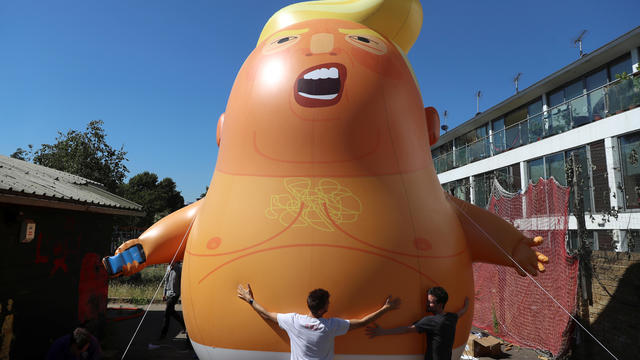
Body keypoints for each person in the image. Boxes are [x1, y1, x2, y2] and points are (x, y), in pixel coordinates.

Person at [237, 284, 400, 360]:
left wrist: (250, 300)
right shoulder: (330, 327)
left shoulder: (293, 321)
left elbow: (266, 314)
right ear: (323, 309)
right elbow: (363, 322)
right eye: (328, 302)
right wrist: (385, 309)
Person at [366, 287, 469, 360]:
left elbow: (405, 329)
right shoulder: (451, 317)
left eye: (430, 302)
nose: (427, 304)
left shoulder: (431, 321)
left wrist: (382, 332)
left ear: (440, 304)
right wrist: (466, 306)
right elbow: (460, 313)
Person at [159, 261, 186, 340]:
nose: (169, 263)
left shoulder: (179, 268)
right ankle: (184, 325)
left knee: (167, 313)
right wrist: (164, 293)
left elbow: (183, 282)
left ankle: (163, 334)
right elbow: (166, 281)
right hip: (168, 293)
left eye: (171, 261)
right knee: (172, 312)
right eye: (169, 261)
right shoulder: (168, 268)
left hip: (175, 294)